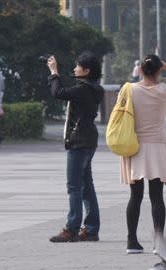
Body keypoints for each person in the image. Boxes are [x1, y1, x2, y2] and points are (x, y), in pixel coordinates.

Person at [120, 54, 166, 254]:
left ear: (140, 70)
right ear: (159, 71)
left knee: (135, 196)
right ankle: (158, 242)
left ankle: (131, 241)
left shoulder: (130, 89)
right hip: (157, 147)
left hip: (134, 145)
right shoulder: (163, 90)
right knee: (157, 197)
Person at [47, 52, 104, 243]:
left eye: (77, 66)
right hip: (89, 140)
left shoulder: (83, 90)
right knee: (86, 185)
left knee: (74, 186)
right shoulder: (95, 89)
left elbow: (58, 93)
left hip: (79, 141)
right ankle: (91, 229)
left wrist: (54, 72)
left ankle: (72, 229)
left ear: (86, 71)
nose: (74, 69)